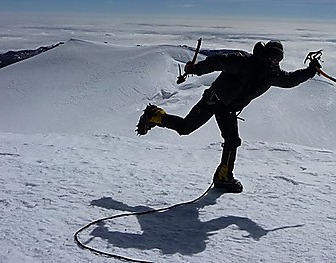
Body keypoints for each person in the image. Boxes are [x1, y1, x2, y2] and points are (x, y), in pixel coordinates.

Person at [136, 40, 321, 193]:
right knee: (185, 128)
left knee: (232, 140)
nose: (274, 61)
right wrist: (197, 69)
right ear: (264, 53)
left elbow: (289, 80)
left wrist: (310, 71)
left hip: (228, 108)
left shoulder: (271, 74)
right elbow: (218, 62)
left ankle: (223, 177)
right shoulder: (244, 61)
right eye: (272, 56)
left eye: (278, 58)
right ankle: (155, 115)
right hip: (214, 100)